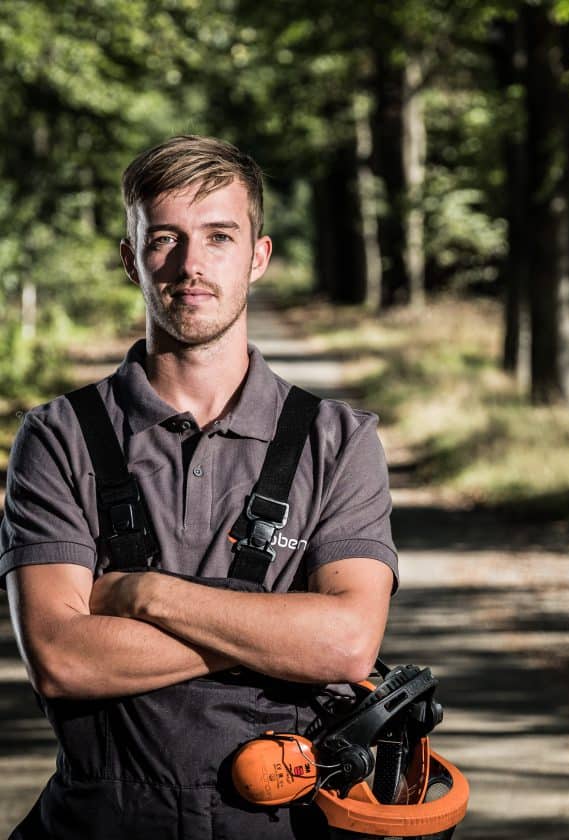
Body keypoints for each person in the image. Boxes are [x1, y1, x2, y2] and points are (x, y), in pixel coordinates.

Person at [0, 135, 398, 839]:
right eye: (165, 238)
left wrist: (141, 595)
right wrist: (274, 625)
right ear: (132, 259)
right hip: (100, 822)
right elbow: (60, 659)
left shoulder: (339, 440)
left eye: (219, 236)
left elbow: (346, 646)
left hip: (281, 823)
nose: (191, 264)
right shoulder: (58, 436)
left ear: (258, 256)